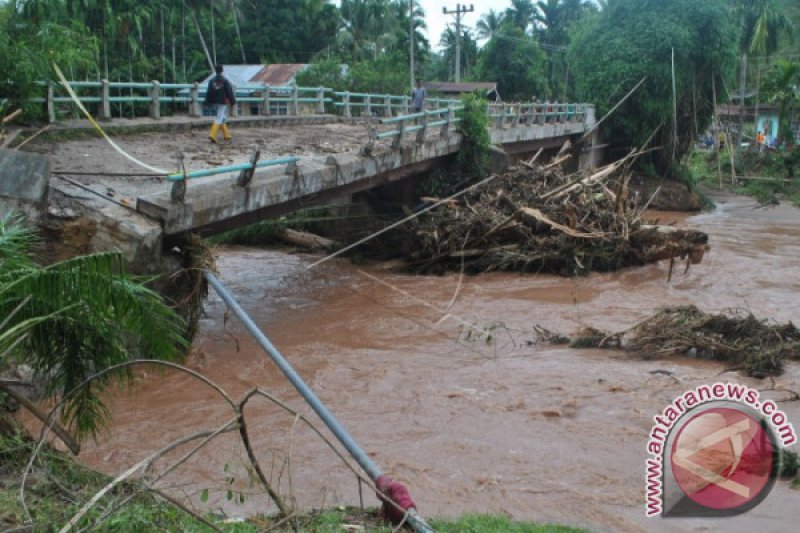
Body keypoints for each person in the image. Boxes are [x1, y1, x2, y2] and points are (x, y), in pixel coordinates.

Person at [204, 64, 236, 143]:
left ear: (216, 71)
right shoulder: (225, 80)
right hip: (222, 101)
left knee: (222, 116)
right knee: (219, 117)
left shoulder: (211, 80)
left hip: (214, 101)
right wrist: (232, 101)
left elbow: (209, 92)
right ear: (222, 71)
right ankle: (212, 134)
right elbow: (229, 91)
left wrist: (207, 101)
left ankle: (226, 134)